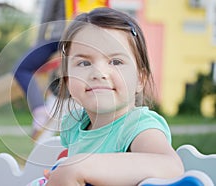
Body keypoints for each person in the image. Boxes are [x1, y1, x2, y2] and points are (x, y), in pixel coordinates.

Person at [29, 7, 184, 185]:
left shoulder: (137, 126)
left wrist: (80, 167)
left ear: (140, 79)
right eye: (84, 62)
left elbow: (171, 166)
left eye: (116, 61)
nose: (99, 73)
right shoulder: (75, 125)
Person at [13, 0, 65, 139]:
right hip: (87, 38)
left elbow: (47, 18)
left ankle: (39, 108)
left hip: (59, 38)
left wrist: (38, 42)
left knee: (21, 69)